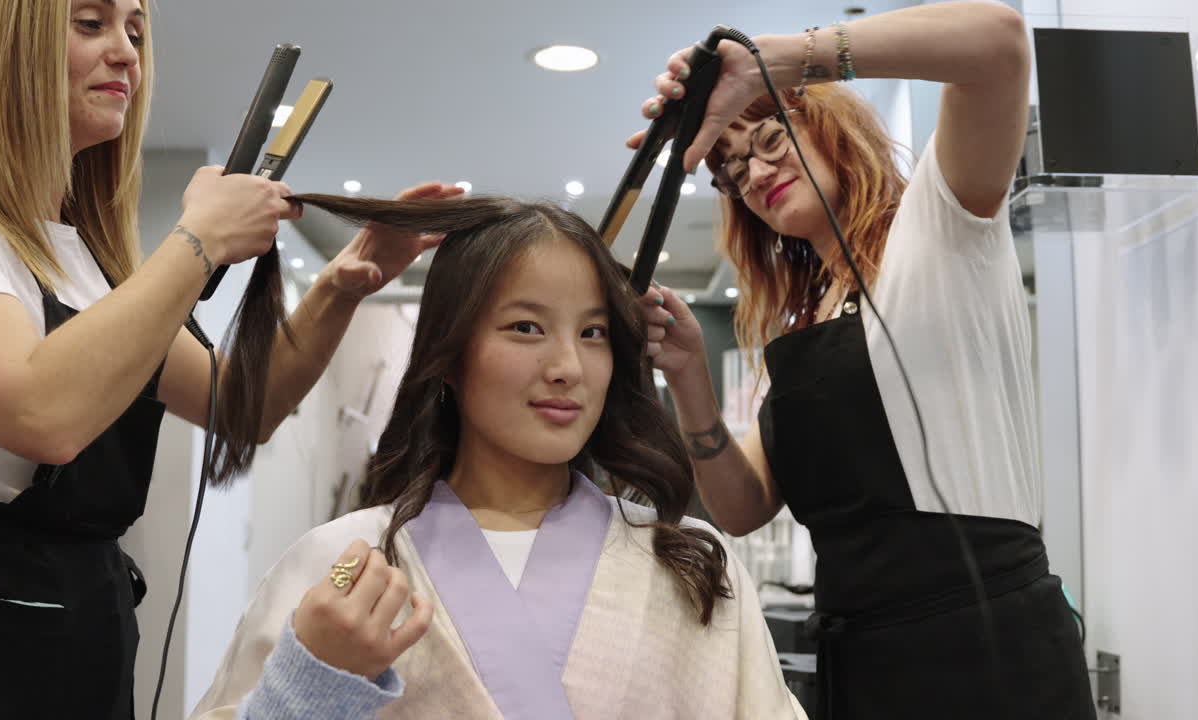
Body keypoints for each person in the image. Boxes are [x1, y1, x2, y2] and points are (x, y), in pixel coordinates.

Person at [0, 2, 457, 717]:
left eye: (135, 30)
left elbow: (244, 404)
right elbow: (40, 413)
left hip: (84, 626)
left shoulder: (87, 260)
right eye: (88, 23)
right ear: (3, 42)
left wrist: (342, 286)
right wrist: (198, 240)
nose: (127, 52)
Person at [631, 3, 1096, 718]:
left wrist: (775, 62)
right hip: (864, 660)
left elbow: (998, 42)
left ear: (826, 125)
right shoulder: (805, 322)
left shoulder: (942, 227)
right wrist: (689, 377)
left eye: (767, 139)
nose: (753, 173)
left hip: (990, 649)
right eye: (733, 169)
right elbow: (742, 504)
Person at [191, 194, 807, 720]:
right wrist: (308, 684)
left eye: (593, 333)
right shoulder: (343, 562)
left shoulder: (693, 566)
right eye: (526, 328)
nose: (568, 367)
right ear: (450, 353)